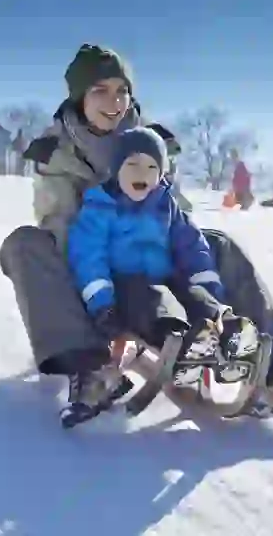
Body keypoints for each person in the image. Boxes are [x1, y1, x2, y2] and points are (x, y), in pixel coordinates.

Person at [0, 43, 273, 428]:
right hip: (96, 267)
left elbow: (176, 212)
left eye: (122, 90)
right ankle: (90, 369)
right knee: (25, 244)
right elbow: (63, 229)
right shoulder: (56, 153)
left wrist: (193, 277)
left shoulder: (152, 141)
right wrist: (107, 300)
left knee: (218, 243)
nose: (114, 102)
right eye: (100, 91)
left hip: (157, 255)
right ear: (79, 97)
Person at [64, 126, 259, 425]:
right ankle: (184, 345)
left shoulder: (166, 205)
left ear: (162, 173)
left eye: (152, 167)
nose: (143, 173)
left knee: (194, 295)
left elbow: (193, 245)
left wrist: (206, 287)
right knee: (156, 300)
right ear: (116, 170)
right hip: (125, 285)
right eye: (133, 165)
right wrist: (102, 303)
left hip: (166, 277)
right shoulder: (99, 208)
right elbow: (88, 257)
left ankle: (226, 332)